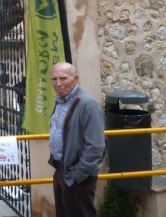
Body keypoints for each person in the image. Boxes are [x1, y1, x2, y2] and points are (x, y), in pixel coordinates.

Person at [49, 62, 105, 217]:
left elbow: (96, 147)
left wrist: (77, 176)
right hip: (61, 169)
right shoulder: (61, 101)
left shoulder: (88, 105)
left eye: (63, 78)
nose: (58, 84)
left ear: (75, 79)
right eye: (54, 79)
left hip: (77, 175)